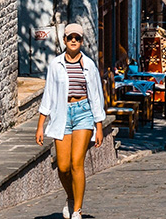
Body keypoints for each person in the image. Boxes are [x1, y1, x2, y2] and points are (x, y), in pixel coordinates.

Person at [35, 23, 106, 219]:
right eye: (70, 37)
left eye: (78, 38)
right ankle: (71, 197)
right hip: (61, 114)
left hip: (84, 113)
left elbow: (96, 96)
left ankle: (77, 210)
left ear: (82, 41)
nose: (74, 41)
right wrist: (41, 125)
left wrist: (99, 127)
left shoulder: (89, 65)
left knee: (77, 163)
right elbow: (48, 95)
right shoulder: (56, 65)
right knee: (63, 166)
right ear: (64, 40)